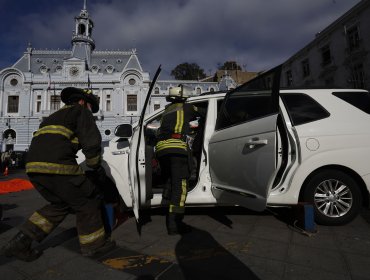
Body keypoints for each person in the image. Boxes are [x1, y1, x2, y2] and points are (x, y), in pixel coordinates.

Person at [0, 87, 115, 261]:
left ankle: (19, 243)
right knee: (87, 200)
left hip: (33, 168)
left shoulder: (51, 118)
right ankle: (94, 246)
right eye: (91, 106)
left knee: (60, 205)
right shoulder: (80, 111)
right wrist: (95, 166)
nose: (90, 110)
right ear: (83, 102)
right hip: (58, 167)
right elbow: (91, 140)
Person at [155, 84, 205, 235]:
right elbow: (204, 112)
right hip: (177, 148)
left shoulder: (167, 110)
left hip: (162, 149)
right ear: (183, 96)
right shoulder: (187, 107)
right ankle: (174, 224)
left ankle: (165, 201)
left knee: (170, 179)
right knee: (180, 187)